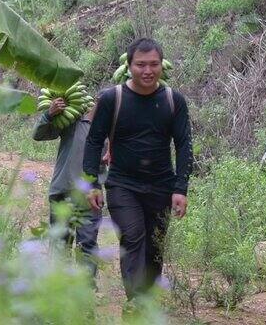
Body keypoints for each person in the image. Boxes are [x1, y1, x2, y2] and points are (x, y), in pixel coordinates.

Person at [81, 37, 193, 301]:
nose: (147, 71)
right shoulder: (112, 98)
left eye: (154, 64)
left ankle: (147, 299)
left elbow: (184, 144)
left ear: (161, 66)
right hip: (123, 184)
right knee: (132, 237)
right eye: (141, 64)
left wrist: (180, 188)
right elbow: (94, 141)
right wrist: (92, 184)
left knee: (155, 247)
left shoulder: (172, 100)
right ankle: (135, 304)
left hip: (161, 186)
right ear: (129, 65)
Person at [32, 98, 107, 283]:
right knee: (60, 244)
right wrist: (50, 114)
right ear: (96, 102)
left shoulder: (110, 130)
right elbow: (39, 135)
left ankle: (86, 291)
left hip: (91, 195)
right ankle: (60, 291)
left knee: (88, 244)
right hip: (63, 191)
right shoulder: (73, 121)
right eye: (105, 102)